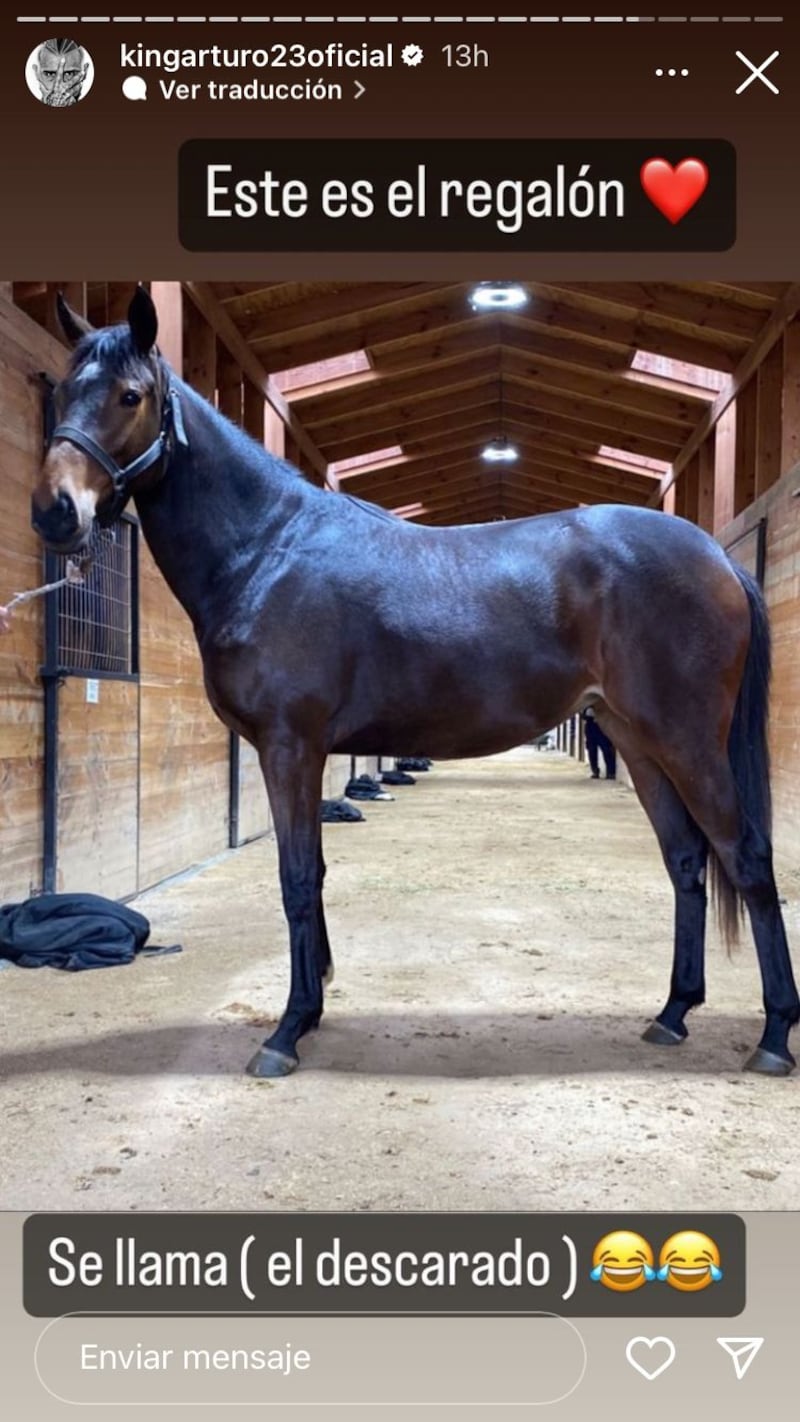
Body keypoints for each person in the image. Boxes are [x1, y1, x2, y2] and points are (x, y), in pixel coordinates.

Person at [582, 706, 616, 780]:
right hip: (591, 728)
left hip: (601, 729)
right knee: (592, 752)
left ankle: (610, 772)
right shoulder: (587, 706)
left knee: (606, 750)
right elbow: (583, 716)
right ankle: (595, 772)